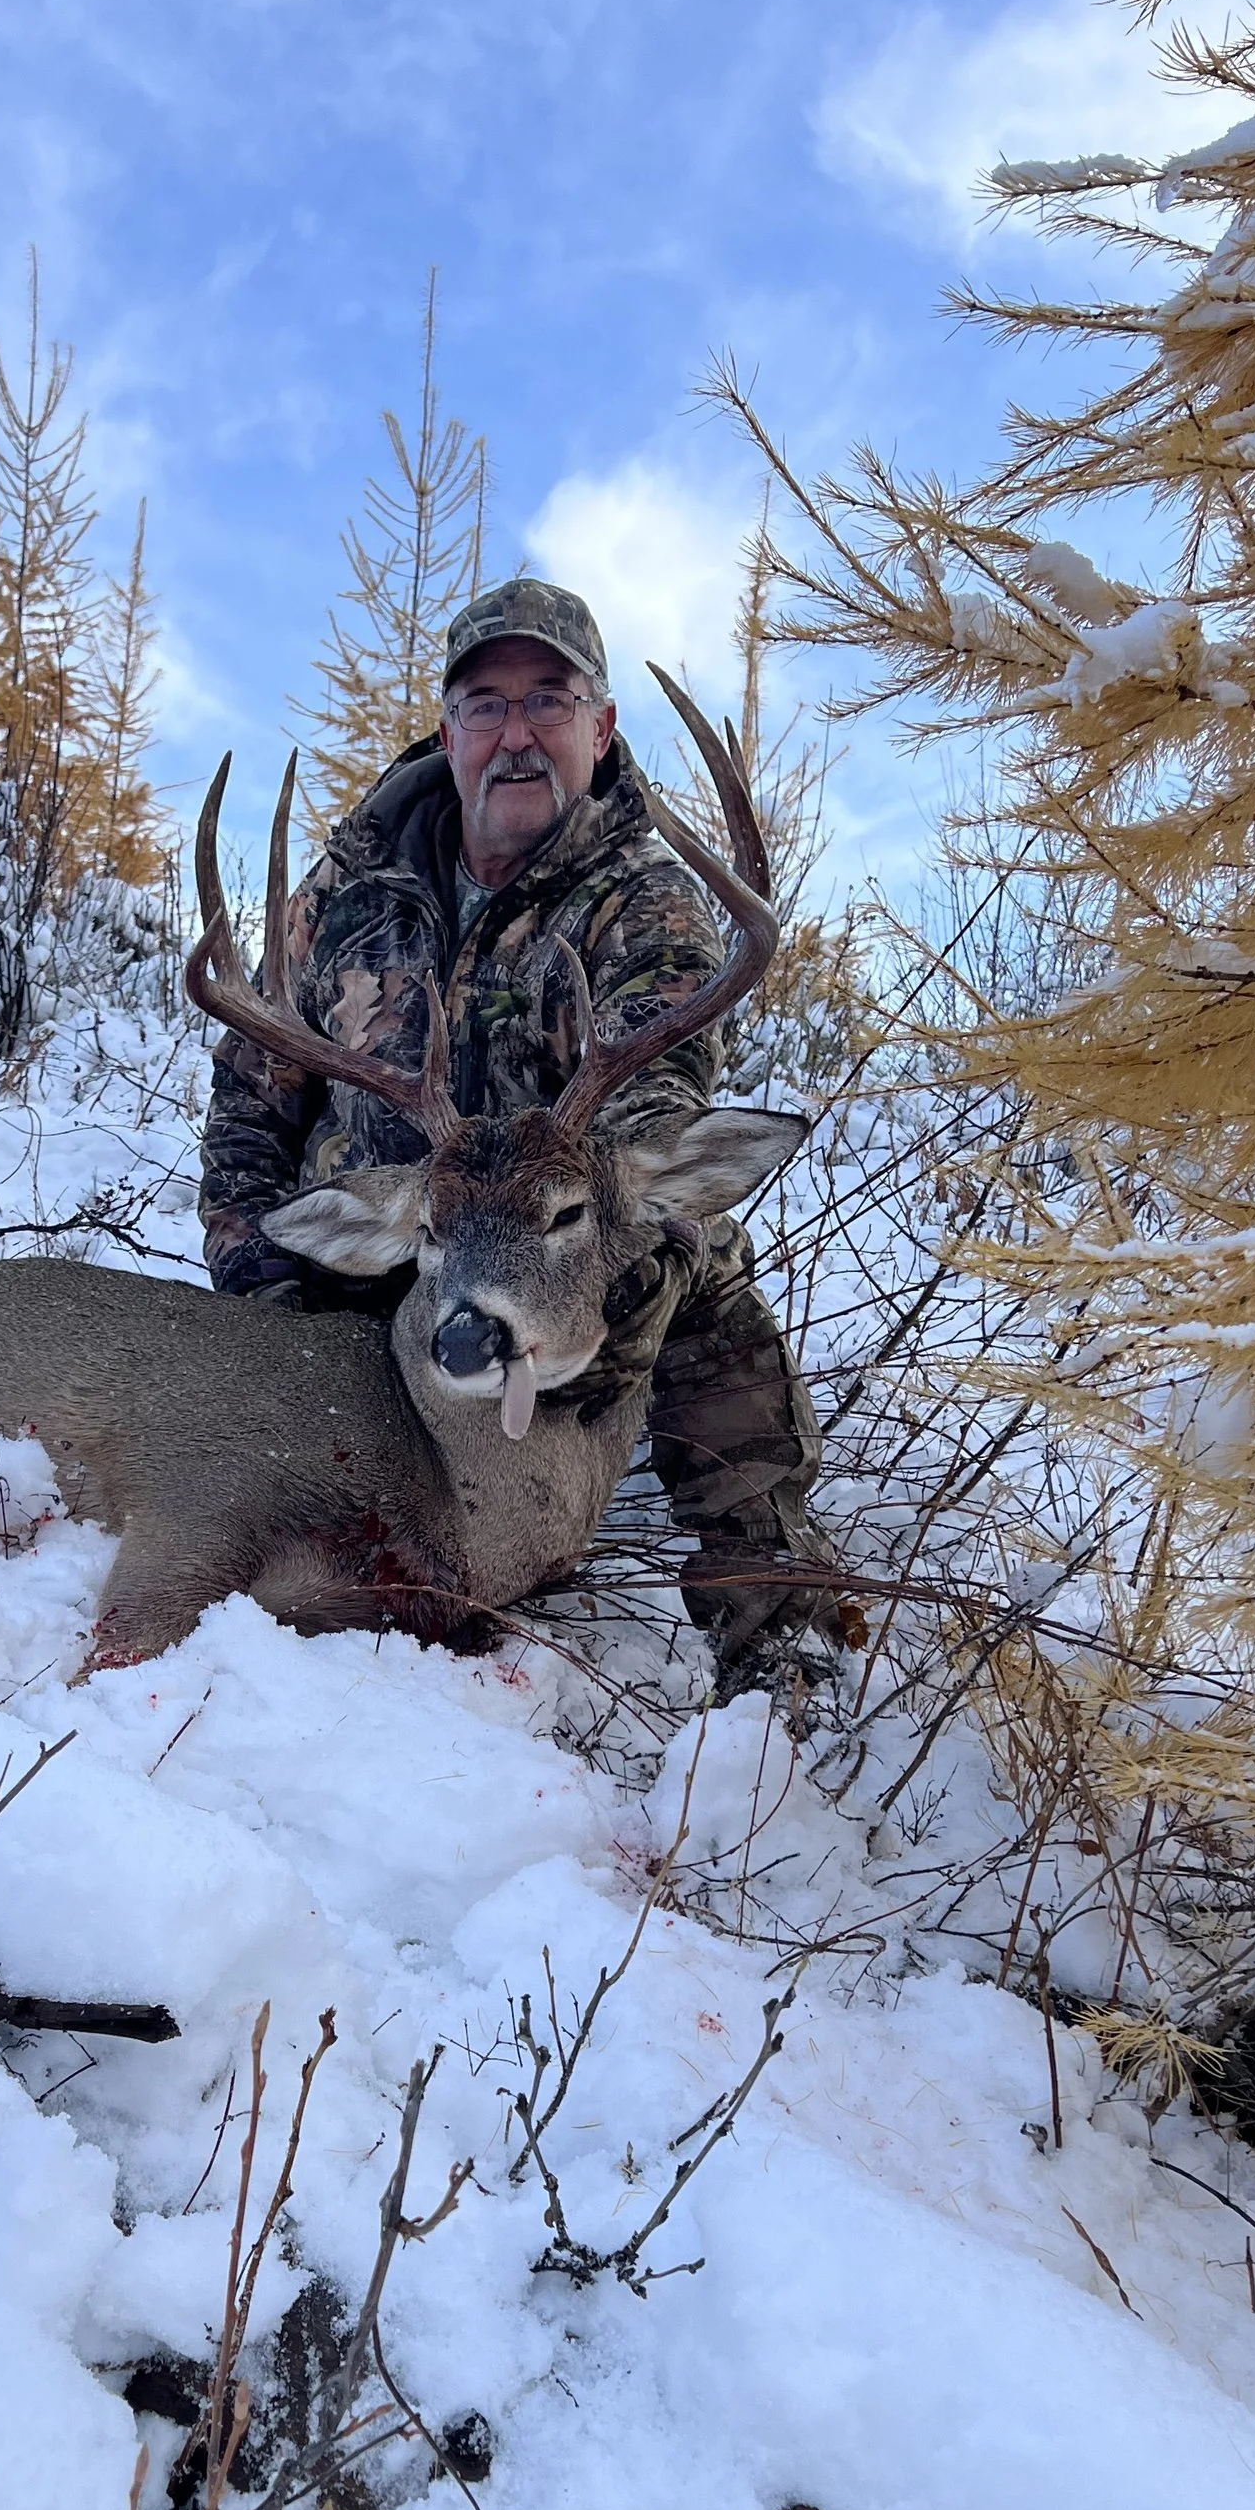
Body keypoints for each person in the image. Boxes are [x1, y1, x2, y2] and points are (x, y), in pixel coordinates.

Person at [197, 573, 829, 1699]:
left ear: (600, 727)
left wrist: (599, 1269)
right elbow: (248, 1119)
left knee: (699, 1257)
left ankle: (772, 1612)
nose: (516, 732)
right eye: (485, 705)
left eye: (549, 698)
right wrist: (264, 1314)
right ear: (448, 733)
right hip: (377, 1260)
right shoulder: (345, 896)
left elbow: (658, 1107)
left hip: (552, 1264)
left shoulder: (649, 904)